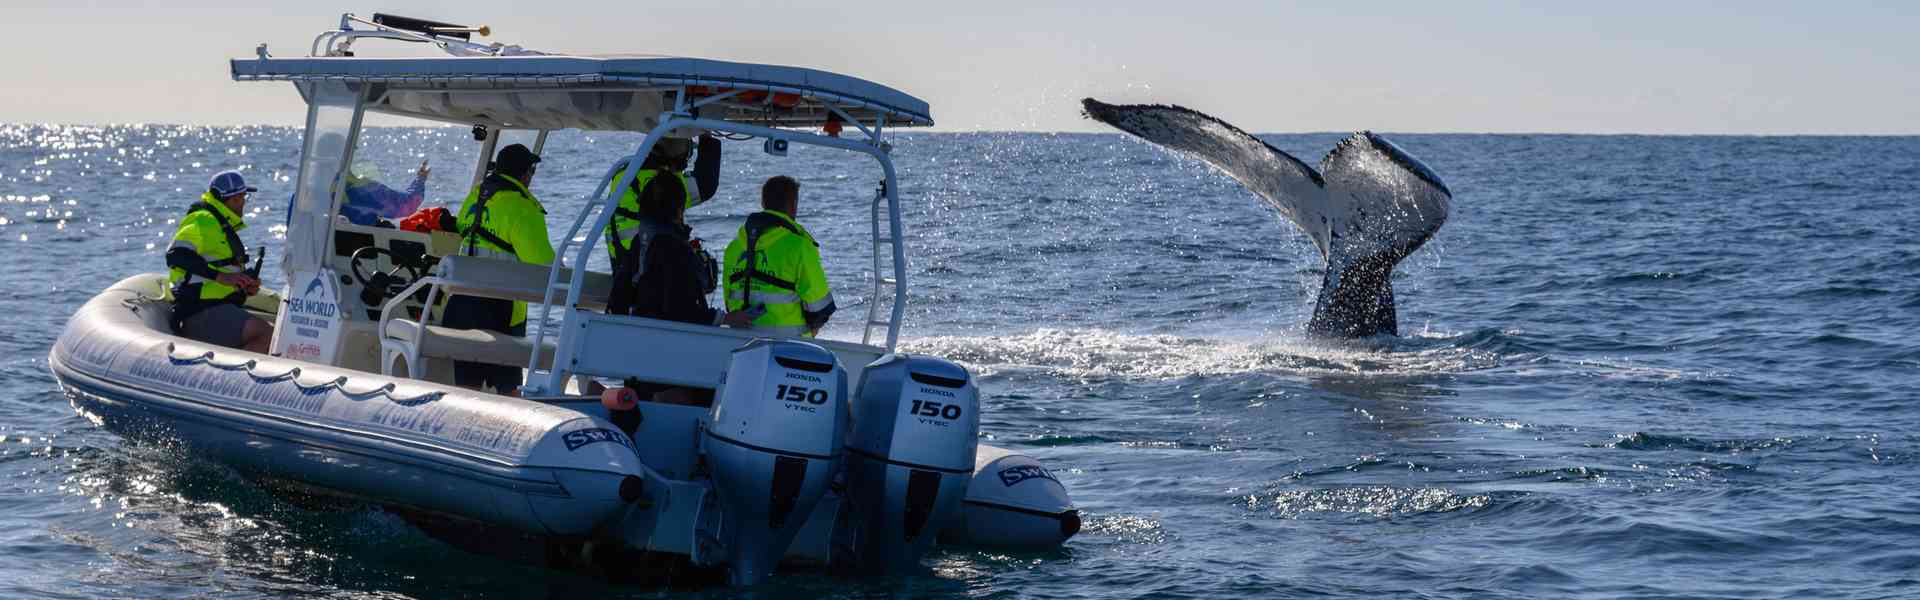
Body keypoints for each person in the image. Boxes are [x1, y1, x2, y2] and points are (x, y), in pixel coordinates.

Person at [605, 173, 754, 407]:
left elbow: (618, 300)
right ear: (678, 208)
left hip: (638, 359)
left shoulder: (640, 242)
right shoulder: (672, 248)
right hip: (669, 364)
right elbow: (680, 310)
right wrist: (725, 317)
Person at [445, 144, 553, 395]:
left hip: (461, 303)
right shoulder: (523, 207)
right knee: (508, 386)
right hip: (499, 310)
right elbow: (544, 265)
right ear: (525, 174)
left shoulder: (478, 194)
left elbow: (462, 225)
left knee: (468, 382)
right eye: (532, 172)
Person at [166, 170, 273, 353]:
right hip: (199, 312)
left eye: (244, 198)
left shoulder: (220, 224)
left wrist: (244, 286)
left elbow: (217, 268)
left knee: (275, 333)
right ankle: (237, 380)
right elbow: (176, 255)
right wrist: (220, 277)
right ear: (229, 200)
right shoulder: (203, 220)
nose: (243, 204)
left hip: (219, 307)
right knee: (268, 335)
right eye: (240, 199)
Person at [722, 176, 836, 337]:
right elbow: (820, 308)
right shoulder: (800, 247)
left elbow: (729, 302)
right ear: (793, 205)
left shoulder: (733, 248)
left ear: (763, 203)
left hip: (741, 343)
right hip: (790, 348)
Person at [604, 135, 721, 263]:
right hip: (649, 265)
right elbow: (705, 185)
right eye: (685, 149)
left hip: (624, 264)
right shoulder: (660, 181)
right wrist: (706, 137)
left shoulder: (625, 173)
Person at [337, 159, 430, 226]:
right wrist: (420, 179)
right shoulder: (361, 187)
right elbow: (406, 205)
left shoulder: (325, 185)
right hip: (359, 245)